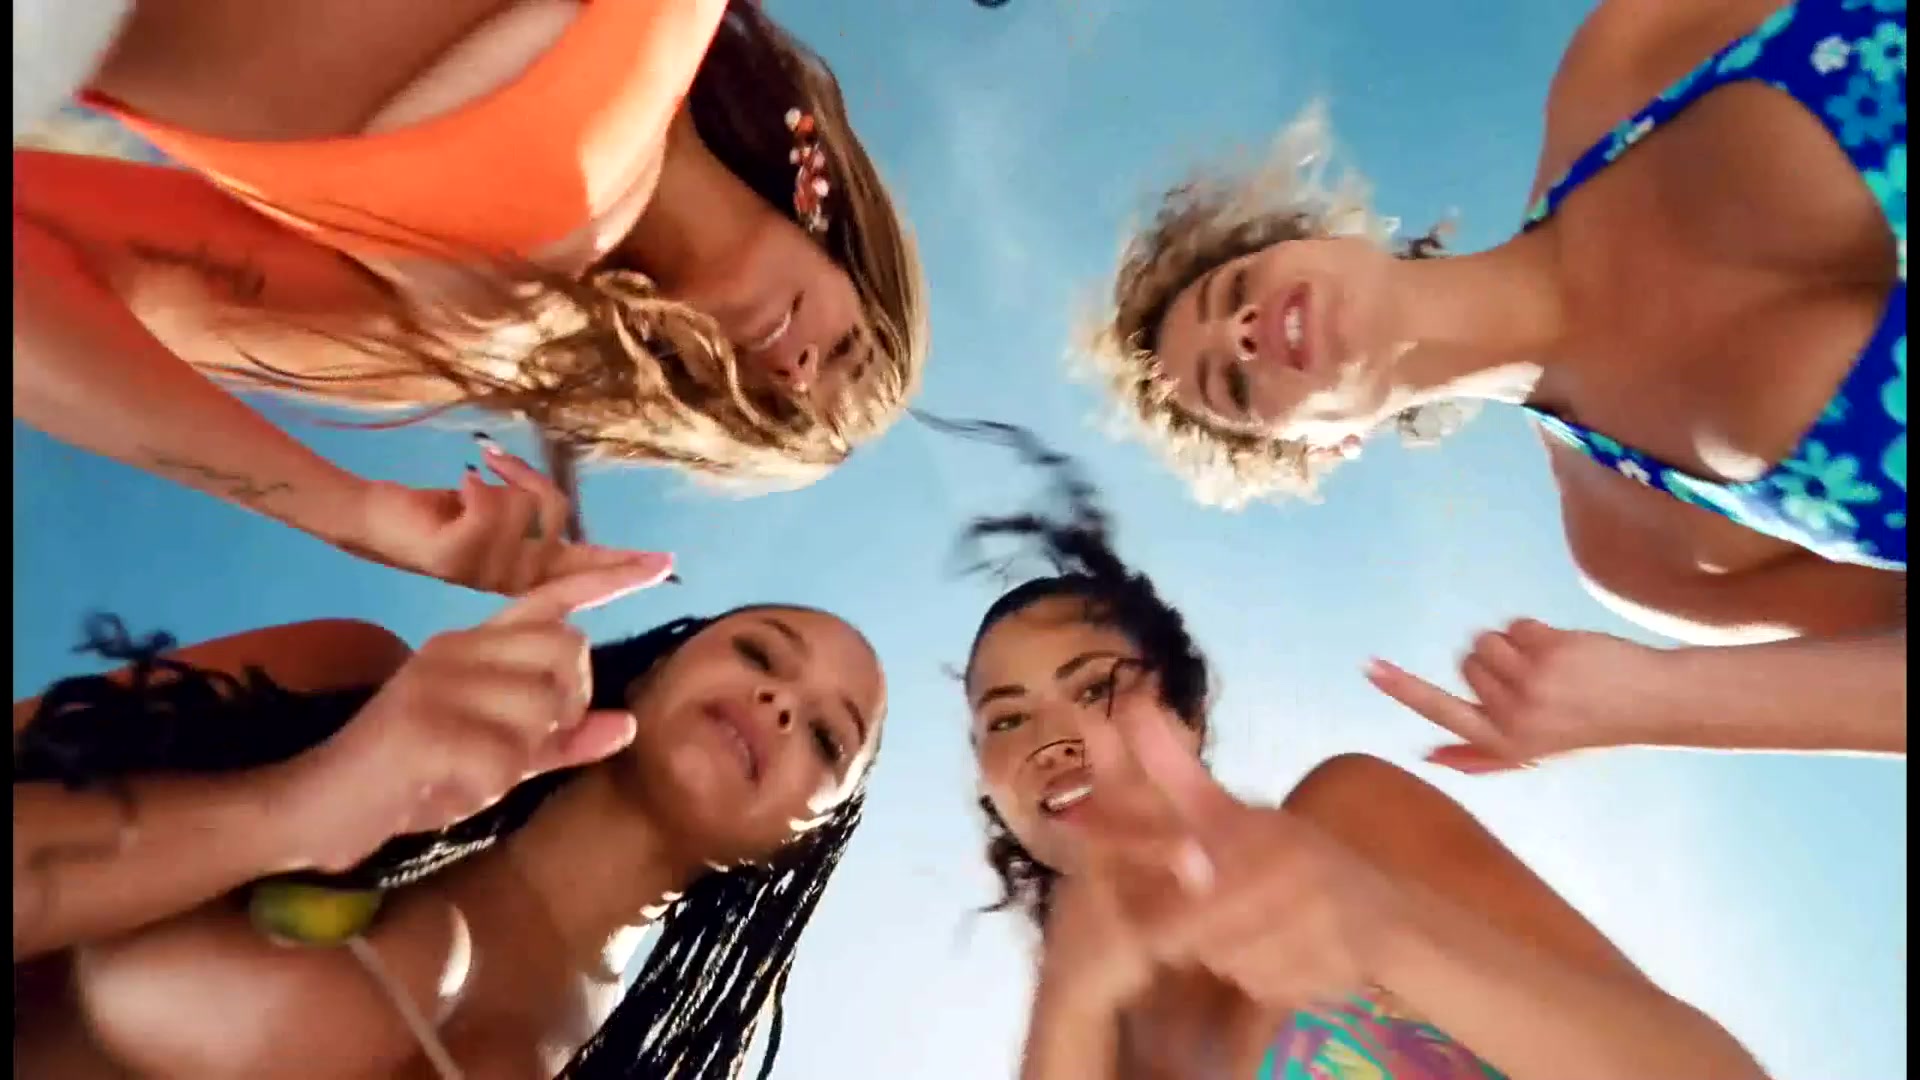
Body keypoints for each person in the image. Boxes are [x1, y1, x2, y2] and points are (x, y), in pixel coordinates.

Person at [1078, 0, 1905, 762]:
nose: (1243, 332)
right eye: (1233, 385)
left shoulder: (1621, 61)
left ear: (1316, 238)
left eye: (1233, 291)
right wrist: (1660, 700)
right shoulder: (1636, 551)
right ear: (1328, 445)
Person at [14, 0, 929, 595]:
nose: (795, 371)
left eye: (773, 408)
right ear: (842, 237)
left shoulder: (492, 315)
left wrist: (351, 515)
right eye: (844, 352)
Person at [955, 457, 1768, 1079]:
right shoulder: (1077, 1042)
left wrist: (1387, 931)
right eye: (1007, 719)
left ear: (1185, 715)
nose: (1050, 740)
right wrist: (1068, 1011)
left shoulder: (1348, 823)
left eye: (1093, 687)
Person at [12, 560, 887, 1079]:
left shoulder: (617, 1070)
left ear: (793, 848)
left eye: (825, 738)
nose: (780, 703)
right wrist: (301, 806)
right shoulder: (352, 690)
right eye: (758, 652)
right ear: (660, 665)